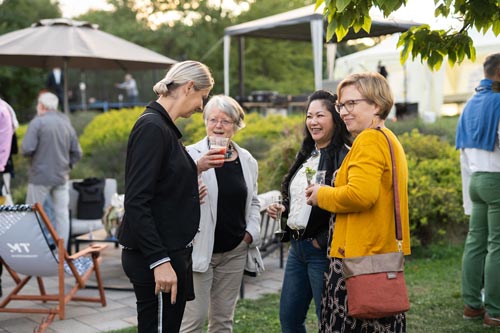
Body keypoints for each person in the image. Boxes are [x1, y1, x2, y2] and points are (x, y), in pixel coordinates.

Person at [305, 72, 411, 333]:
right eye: (341, 105)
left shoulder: (369, 140)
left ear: (376, 104)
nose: (343, 112)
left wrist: (322, 194)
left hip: (359, 259)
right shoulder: (387, 138)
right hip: (376, 254)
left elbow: (360, 196)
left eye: (351, 104)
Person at [117, 60, 214, 333]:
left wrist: (188, 189)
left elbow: (161, 183)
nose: (200, 107)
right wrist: (159, 262)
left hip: (171, 254)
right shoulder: (152, 128)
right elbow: (136, 200)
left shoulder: (164, 127)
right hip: (157, 258)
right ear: (189, 87)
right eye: (202, 98)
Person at [267, 90, 351, 332]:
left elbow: (346, 205)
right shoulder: (307, 154)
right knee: (289, 319)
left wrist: (321, 240)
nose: (313, 121)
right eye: (309, 116)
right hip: (297, 249)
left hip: (321, 252)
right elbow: (302, 199)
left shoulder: (343, 156)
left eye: (320, 115)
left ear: (335, 119)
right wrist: (284, 209)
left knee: (328, 320)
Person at [180, 95, 261, 332]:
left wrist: (249, 235)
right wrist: (192, 180)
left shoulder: (246, 159)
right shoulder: (190, 155)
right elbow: (170, 195)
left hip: (234, 252)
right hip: (200, 250)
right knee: (192, 322)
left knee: (223, 322)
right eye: (212, 119)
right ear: (204, 122)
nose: (218, 126)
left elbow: (253, 201)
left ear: (236, 126)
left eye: (225, 121)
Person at [455, 53, 500, 327]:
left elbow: (462, 153)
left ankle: (472, 306)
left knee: (475, 243)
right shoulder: (498, 102)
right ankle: (495, 311)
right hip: (496, 180)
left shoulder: (470, 104)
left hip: (475, 180)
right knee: (497, 245)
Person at [22, 91, 82, 249]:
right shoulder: (66, 122)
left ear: (41, 106)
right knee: (62, 216)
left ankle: (34, 249)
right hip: (61, 176)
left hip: (39, 178)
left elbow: (27, 149)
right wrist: (68, 166)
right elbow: (77, 152)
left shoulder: (37, 122)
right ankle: (61, 253)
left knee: (32, 215)